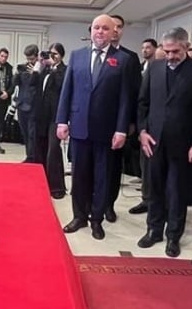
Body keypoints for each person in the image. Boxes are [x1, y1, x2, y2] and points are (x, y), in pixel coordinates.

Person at [136, 28, 192, 258]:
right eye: (167, 51)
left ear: (186, 47)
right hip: (153, 141)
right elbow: (143, 103)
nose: (170, 56)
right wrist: (142, 131)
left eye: (175, 51)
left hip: (183, 143)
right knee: (154, 188)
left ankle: (173, 236)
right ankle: (154, 230)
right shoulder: (154, 67)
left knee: (177, 191)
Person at [57, 14, 132, 241]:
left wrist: (121, 129)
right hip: (79, 128)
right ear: (91, 31)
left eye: (105, 28)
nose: (100, 32)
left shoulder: (123, 59)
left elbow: (125, 99)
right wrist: (61, 121)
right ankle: (79, 216)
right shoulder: (77, 56)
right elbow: (67, 90)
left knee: (102, 178)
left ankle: (96, 219)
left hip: (106, 131)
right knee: (79, 176)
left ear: (113, 32)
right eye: (96, 28)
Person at [105, 15, 142, 223]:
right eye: (111, 26)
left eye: (119, 26)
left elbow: (135, 93)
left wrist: (131, 122)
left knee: (113, 167)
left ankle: (109, 205)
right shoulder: (93, 54)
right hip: (96, 121)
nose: (115, 30)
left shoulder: (130, 57)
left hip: (119, 122)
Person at [33, 43, 68, 198]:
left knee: (53, 150)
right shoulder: (46, 69)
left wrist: (53, 66)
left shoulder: (64, 70)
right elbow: (33, 83)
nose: (52, 56)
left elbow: (60, 85)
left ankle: (57, 187)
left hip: (56, 115)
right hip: (42, 114)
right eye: (50, 53)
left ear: (61, 55)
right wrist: (38, 66)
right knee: (41, 147)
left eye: (55, 54)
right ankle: (42, 181)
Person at [129, 38, 158, 215]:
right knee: (145, 164)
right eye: (143, 47)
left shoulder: (159, 68)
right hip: (145, 124)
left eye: (148, 47)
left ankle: (159, 203)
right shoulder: (141, 68)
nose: (145, 50)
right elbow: (141, 100)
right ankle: (146, 199)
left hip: (164, 125)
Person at [13, 44, 40, 163]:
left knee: (32, 134)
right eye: (28, 58)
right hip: (21, 104)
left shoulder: (40, 68)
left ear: (37, 56)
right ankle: (29, 155)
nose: (29, 61)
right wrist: (16, 74)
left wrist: (35, 72)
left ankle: (32, 158)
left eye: (32, 59)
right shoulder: (23, 68)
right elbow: (15, 83)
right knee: (24, 133)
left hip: (33, 106)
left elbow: (35, 83)